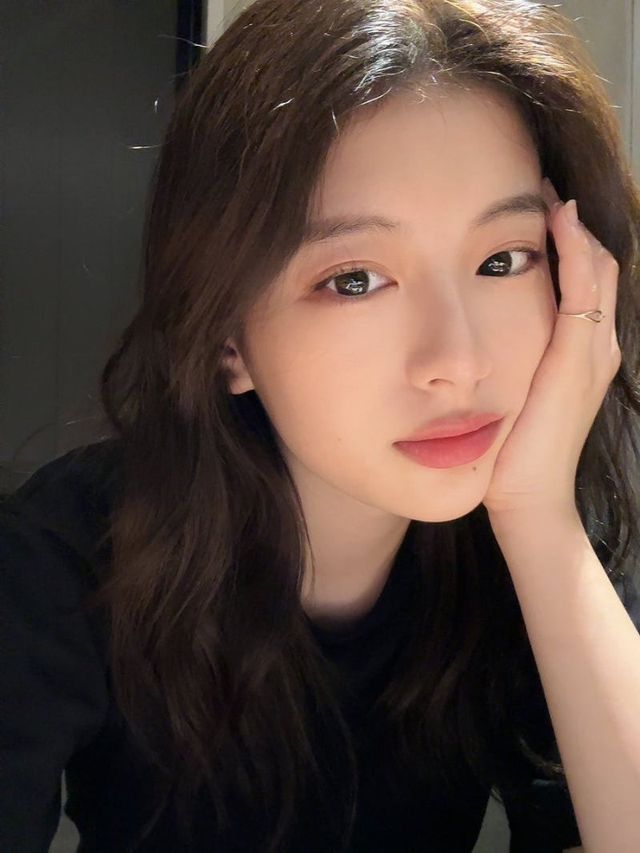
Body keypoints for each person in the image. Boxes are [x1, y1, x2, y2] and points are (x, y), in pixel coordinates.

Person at [2, 0, 640, 850]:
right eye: (354, 280)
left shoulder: (533, 534)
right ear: (226, 338)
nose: (458, 361)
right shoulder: (68, 551)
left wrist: (540, 522)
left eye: (502, 260)